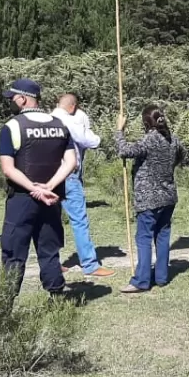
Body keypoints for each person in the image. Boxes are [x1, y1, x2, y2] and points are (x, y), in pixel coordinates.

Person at [0, 79, 76, 294]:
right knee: (49, 251)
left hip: (22, 198)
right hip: (52, 197)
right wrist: (48, 186)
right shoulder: (60, 125)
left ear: (22, 99)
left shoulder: (12, 126)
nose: (10, 102)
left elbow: (8, 169)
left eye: (12, 98)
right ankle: (57, 298)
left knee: (13, 252)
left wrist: (34, 188)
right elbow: (71, 162)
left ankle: (6, 302)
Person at [116, 105, 186, 294]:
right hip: (168, 196)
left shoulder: (149, 140)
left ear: (146, 122)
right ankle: (161, 277)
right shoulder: (173, 139)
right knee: (162, 236)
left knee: (144, 238)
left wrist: (119, 131)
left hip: (148, 198)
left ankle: (141, 281)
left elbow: (124, 151)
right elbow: (182, 154)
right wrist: (168, 168)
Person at [51, 93, 116, 277]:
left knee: (51, 220)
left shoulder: (48, 120)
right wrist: (86, 127)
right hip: (68, 174)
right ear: (73, 107)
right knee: (79, 220)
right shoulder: (69, 121)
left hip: (50, 175)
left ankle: (52, 262)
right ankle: (90, 264)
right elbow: (89, 140)